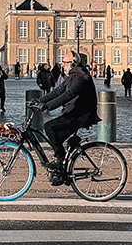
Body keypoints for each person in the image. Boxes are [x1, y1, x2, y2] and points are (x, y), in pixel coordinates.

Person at [37, 53, 99, 186]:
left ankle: (61, 161)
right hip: (75, 113)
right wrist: (39, 101)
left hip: (81, 115)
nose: (63, 65)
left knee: (49, 127)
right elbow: (58, 91)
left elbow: (69, 94)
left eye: (65, 62)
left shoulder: (80, 76)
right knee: (56, 137)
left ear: (73, 63)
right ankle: (61, 168)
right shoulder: (73, 75)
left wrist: (48, 106)